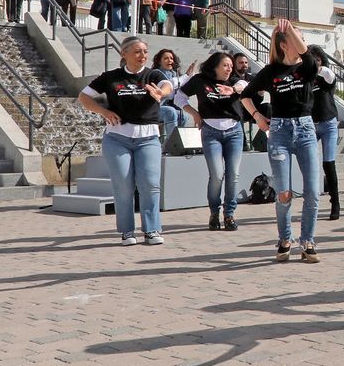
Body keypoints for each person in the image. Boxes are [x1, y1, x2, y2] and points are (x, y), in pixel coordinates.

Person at [240, 20, 326, 263]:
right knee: (284, 192)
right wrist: (257, 117)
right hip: (279, 131)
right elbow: (245, 95)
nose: (302, 42)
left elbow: (306, 54)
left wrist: (289, 29)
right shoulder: (271, 72)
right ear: (284, 44)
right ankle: (285, 239)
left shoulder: (307, 67)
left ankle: (307, 241)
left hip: (306, 130)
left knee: (312, 192)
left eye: (302, 39)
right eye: (297, 38)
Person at [78, 37, 173, 246]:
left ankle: (151, 230)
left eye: (145, 51)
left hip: (148, 138)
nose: (142, 55)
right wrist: (103, 111)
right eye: (137, 51)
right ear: (124, 54)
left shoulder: (153, 75)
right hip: (117, 138)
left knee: (150, 184)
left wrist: (161, 93)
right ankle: (127, 231)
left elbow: (167, 85)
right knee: (123, 185)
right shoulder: (110, 77)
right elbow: (84, 97)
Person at [179, 51, 249, 231]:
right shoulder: (200, 80)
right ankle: (214, 213)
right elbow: (179, 97)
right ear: (215, 66)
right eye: (225, 65)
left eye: (231, 66)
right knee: (217, 175)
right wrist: (194, 113)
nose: (229, 69)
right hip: (210, 132)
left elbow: (244, 84)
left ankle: (229, 214)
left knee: (233, 175)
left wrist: (233, 89)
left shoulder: (233, 81)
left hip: (234, 132)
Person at [306, 45, 342, 221]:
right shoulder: (304, 78)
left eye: (318, 59)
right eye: (311, 59)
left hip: (328, 123)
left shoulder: (325, 76)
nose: (315, 62)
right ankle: (311, 202)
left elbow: (330, 76)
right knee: (310, 163)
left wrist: (317, 67)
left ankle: (335, 203)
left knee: (329, 163)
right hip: (310, 124)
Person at [149, 49, 183, 141]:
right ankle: (171, 142)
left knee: (183, 117)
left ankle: (174, 142)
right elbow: (168, 92)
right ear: (159, 61)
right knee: (170, 112)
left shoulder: (174, 75)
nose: (170, 60)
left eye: (171, 58)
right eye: (166, 58)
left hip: (167, 106)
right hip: (154, 108)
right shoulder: (155, 74)